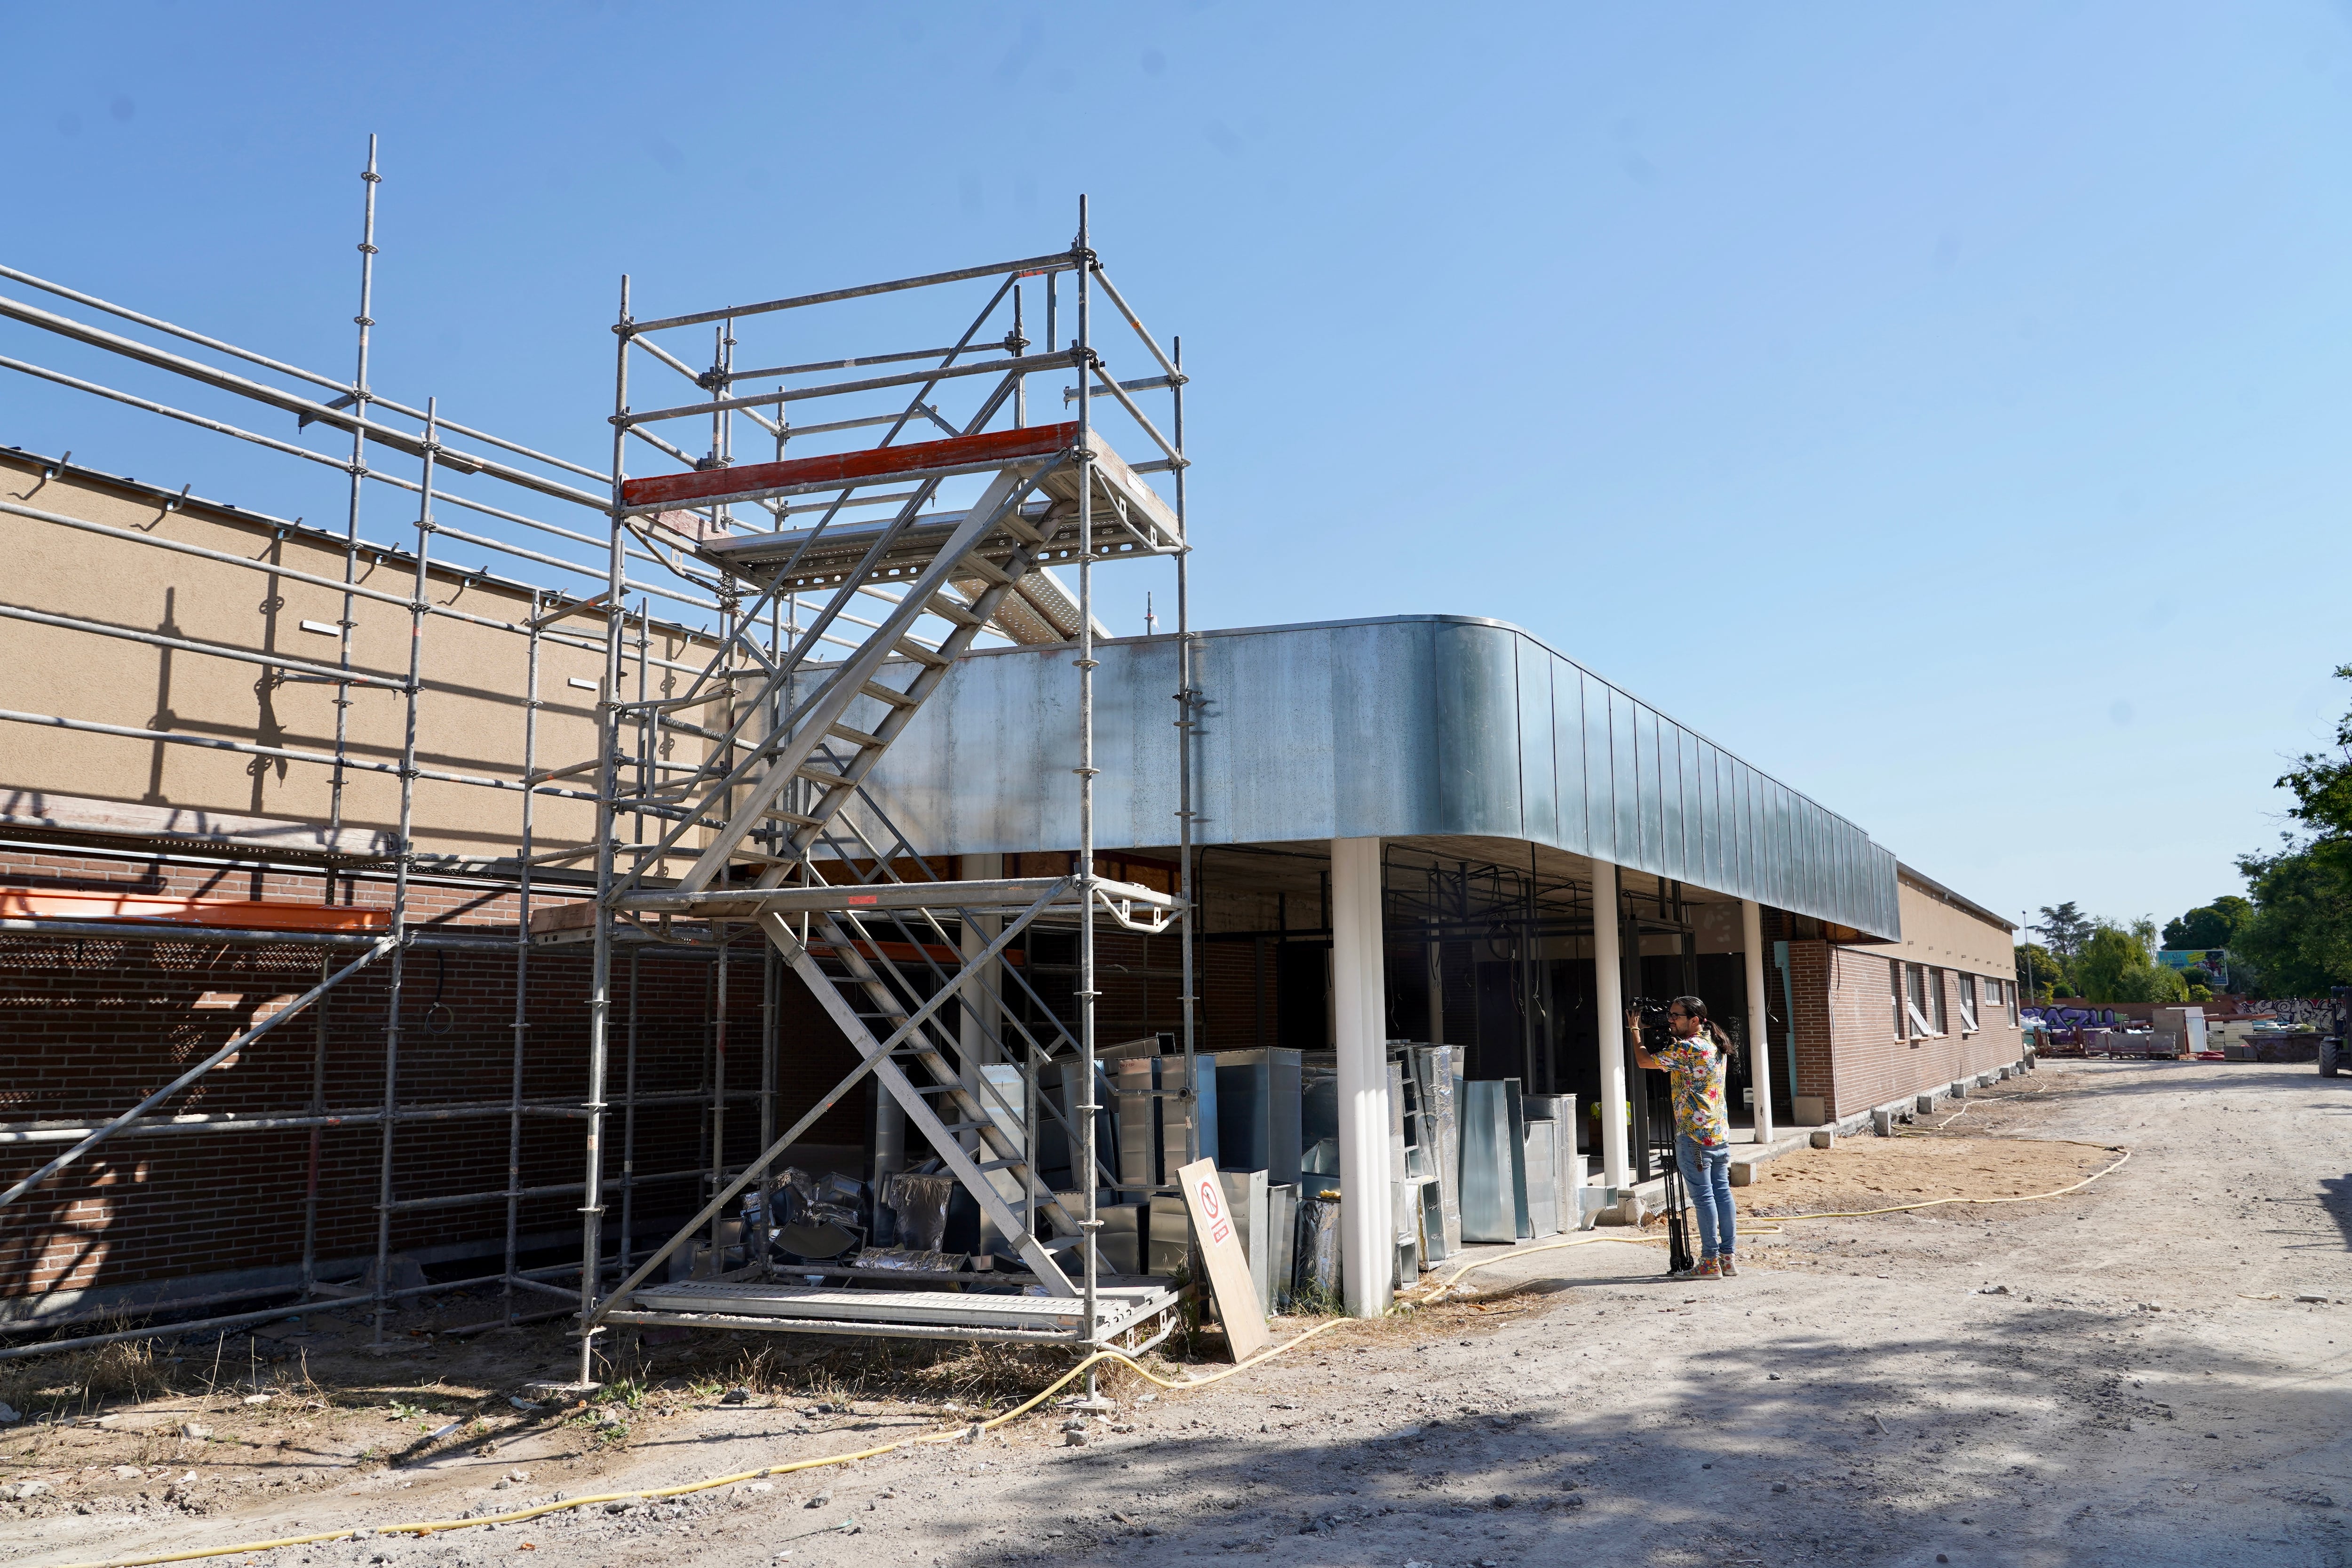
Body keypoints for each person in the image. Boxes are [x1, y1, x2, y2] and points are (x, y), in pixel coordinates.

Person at [1625, 996, 1737, 1280]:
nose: (1670, 1020)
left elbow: (1643, 1061)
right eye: (1670, 1015)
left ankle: (1710, 1262)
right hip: (1718, 1132)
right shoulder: (1714, 1042)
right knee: (1722, 1193)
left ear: (1695, 1020)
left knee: (1703, 1198)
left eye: (1676, 1016)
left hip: (1693, 1136)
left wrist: (1634, 1030)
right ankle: (1727, 1258)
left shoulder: (1687, 1048)